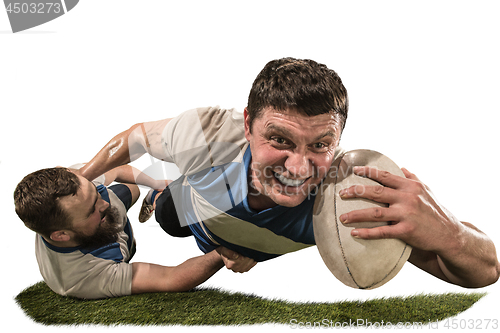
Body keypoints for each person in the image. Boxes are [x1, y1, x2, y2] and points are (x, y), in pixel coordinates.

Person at [77, 57, 500, 288]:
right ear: (247, 125)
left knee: (233, 252)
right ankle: (155, 192)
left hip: (238, 246)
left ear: (337, 142)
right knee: (169, 216)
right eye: (279, 140)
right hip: (192, 205)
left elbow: (485, 272)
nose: (298, 168)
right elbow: (133, 138)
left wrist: (451, 234)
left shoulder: (349, 200)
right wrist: (82, 177)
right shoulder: (208, 134)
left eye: (319, 145)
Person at [14, 164, 255, 299]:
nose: (104, 204)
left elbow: (118, 170)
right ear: (61, 235)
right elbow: (170, 278)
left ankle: (153, 197)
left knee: (131, 189)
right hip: (109, 251)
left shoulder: (77, 186)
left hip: (101, 223)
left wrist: (154, 183)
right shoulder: (82, 277)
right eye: (91, 210)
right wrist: (222, 252)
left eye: (95, 192)